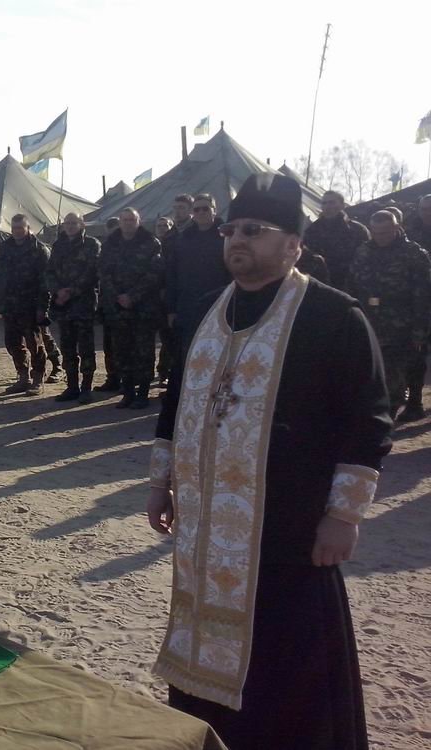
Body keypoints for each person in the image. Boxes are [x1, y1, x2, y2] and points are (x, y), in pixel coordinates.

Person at [147, 173, 393, 750]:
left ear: (294, 244)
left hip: (290, 527)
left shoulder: (332, 315)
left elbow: (367, 422)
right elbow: (176, 400)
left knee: (289, 666)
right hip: (205, 529)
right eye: (231, 230)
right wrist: (161, 481)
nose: (237, 239)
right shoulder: (206, 311)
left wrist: (344, 516)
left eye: (254, 230)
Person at [347, 210, 431, 421]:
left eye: (385, 232)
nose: (380, 237)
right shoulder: (363, 251)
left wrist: (419, 329)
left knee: (398, 370)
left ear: (396, 228)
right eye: (376, 232)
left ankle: (391, 412)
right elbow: (352, 284)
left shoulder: (413, 254)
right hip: (370, 318)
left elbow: (423, 294)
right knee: (373, 367)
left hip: (402, 321)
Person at [97, 208, 163, 409]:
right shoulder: (110, 244)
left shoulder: (150, 242)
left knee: (144, 352)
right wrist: (118, 296)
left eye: (131, 220)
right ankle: (127, 392)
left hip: (143, 307)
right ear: (120, 222)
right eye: (124, 220)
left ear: (138, 221)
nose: (128, 223)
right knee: (121, 351)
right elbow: (103, 272)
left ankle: (142, 393)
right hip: (117, 308)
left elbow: (154, 274)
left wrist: (132, 296)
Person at [0, 214, 52, 396]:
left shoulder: (39, 250)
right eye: (14, 228)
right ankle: (23, 377)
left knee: (34, 344)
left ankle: (37, 378)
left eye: (20, 228)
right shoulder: (4, 248)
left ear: (28, 228)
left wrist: (43, 308)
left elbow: (45, 283)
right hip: (9, 305)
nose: (17, 231)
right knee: (13, 343)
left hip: (30, 305)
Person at [46, 212, 100, 403]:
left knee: (86, 348)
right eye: (67, 223)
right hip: (63, 305)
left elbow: (93, 272)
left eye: (73, 223)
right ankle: (72, 386)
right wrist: (57, 291)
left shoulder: (91, 244)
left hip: (83, 303)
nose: (69, 226)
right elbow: (49, 272)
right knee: (67, 348)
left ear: (81, 224)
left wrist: (72, 291)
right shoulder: (58, 246)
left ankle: (86, 388)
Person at [165, 193, 230, 351]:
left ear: (214, 210)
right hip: (189, 306)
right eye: (197, 209)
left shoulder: (227, 237)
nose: (201, 212)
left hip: (220, 305)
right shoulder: (183, 239)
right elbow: (173, 274)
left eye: (205, 209)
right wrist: (171, 309)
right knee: (189, 352)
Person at [302, 190, 370, 291]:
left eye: (332, 202)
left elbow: (367, 260)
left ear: (342, 205)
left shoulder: (357, 230)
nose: (327, 206)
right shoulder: (312, 231)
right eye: (324, 203)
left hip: (350, 288)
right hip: (320, 287)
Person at [402, 194, 431, 420]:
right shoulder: (410, 233)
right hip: (417, 300)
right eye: (424, 209)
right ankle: (414, 402)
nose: (427, 214)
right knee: (416, 352)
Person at [95, 216, 122, 392]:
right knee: (109, 345)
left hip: (126, 305)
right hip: (108, 305)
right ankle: (113, 378)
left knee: (126, 345)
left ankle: (128, 380)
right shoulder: (105, 249)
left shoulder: (130, 247)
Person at [154, 216, 176, 387]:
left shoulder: (175, 245)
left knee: (169, 338)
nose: (162, 228)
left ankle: (165, 371)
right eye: (159, 226)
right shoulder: (151, 246)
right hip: (152, 297)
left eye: (165, 225)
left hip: (169, 296)